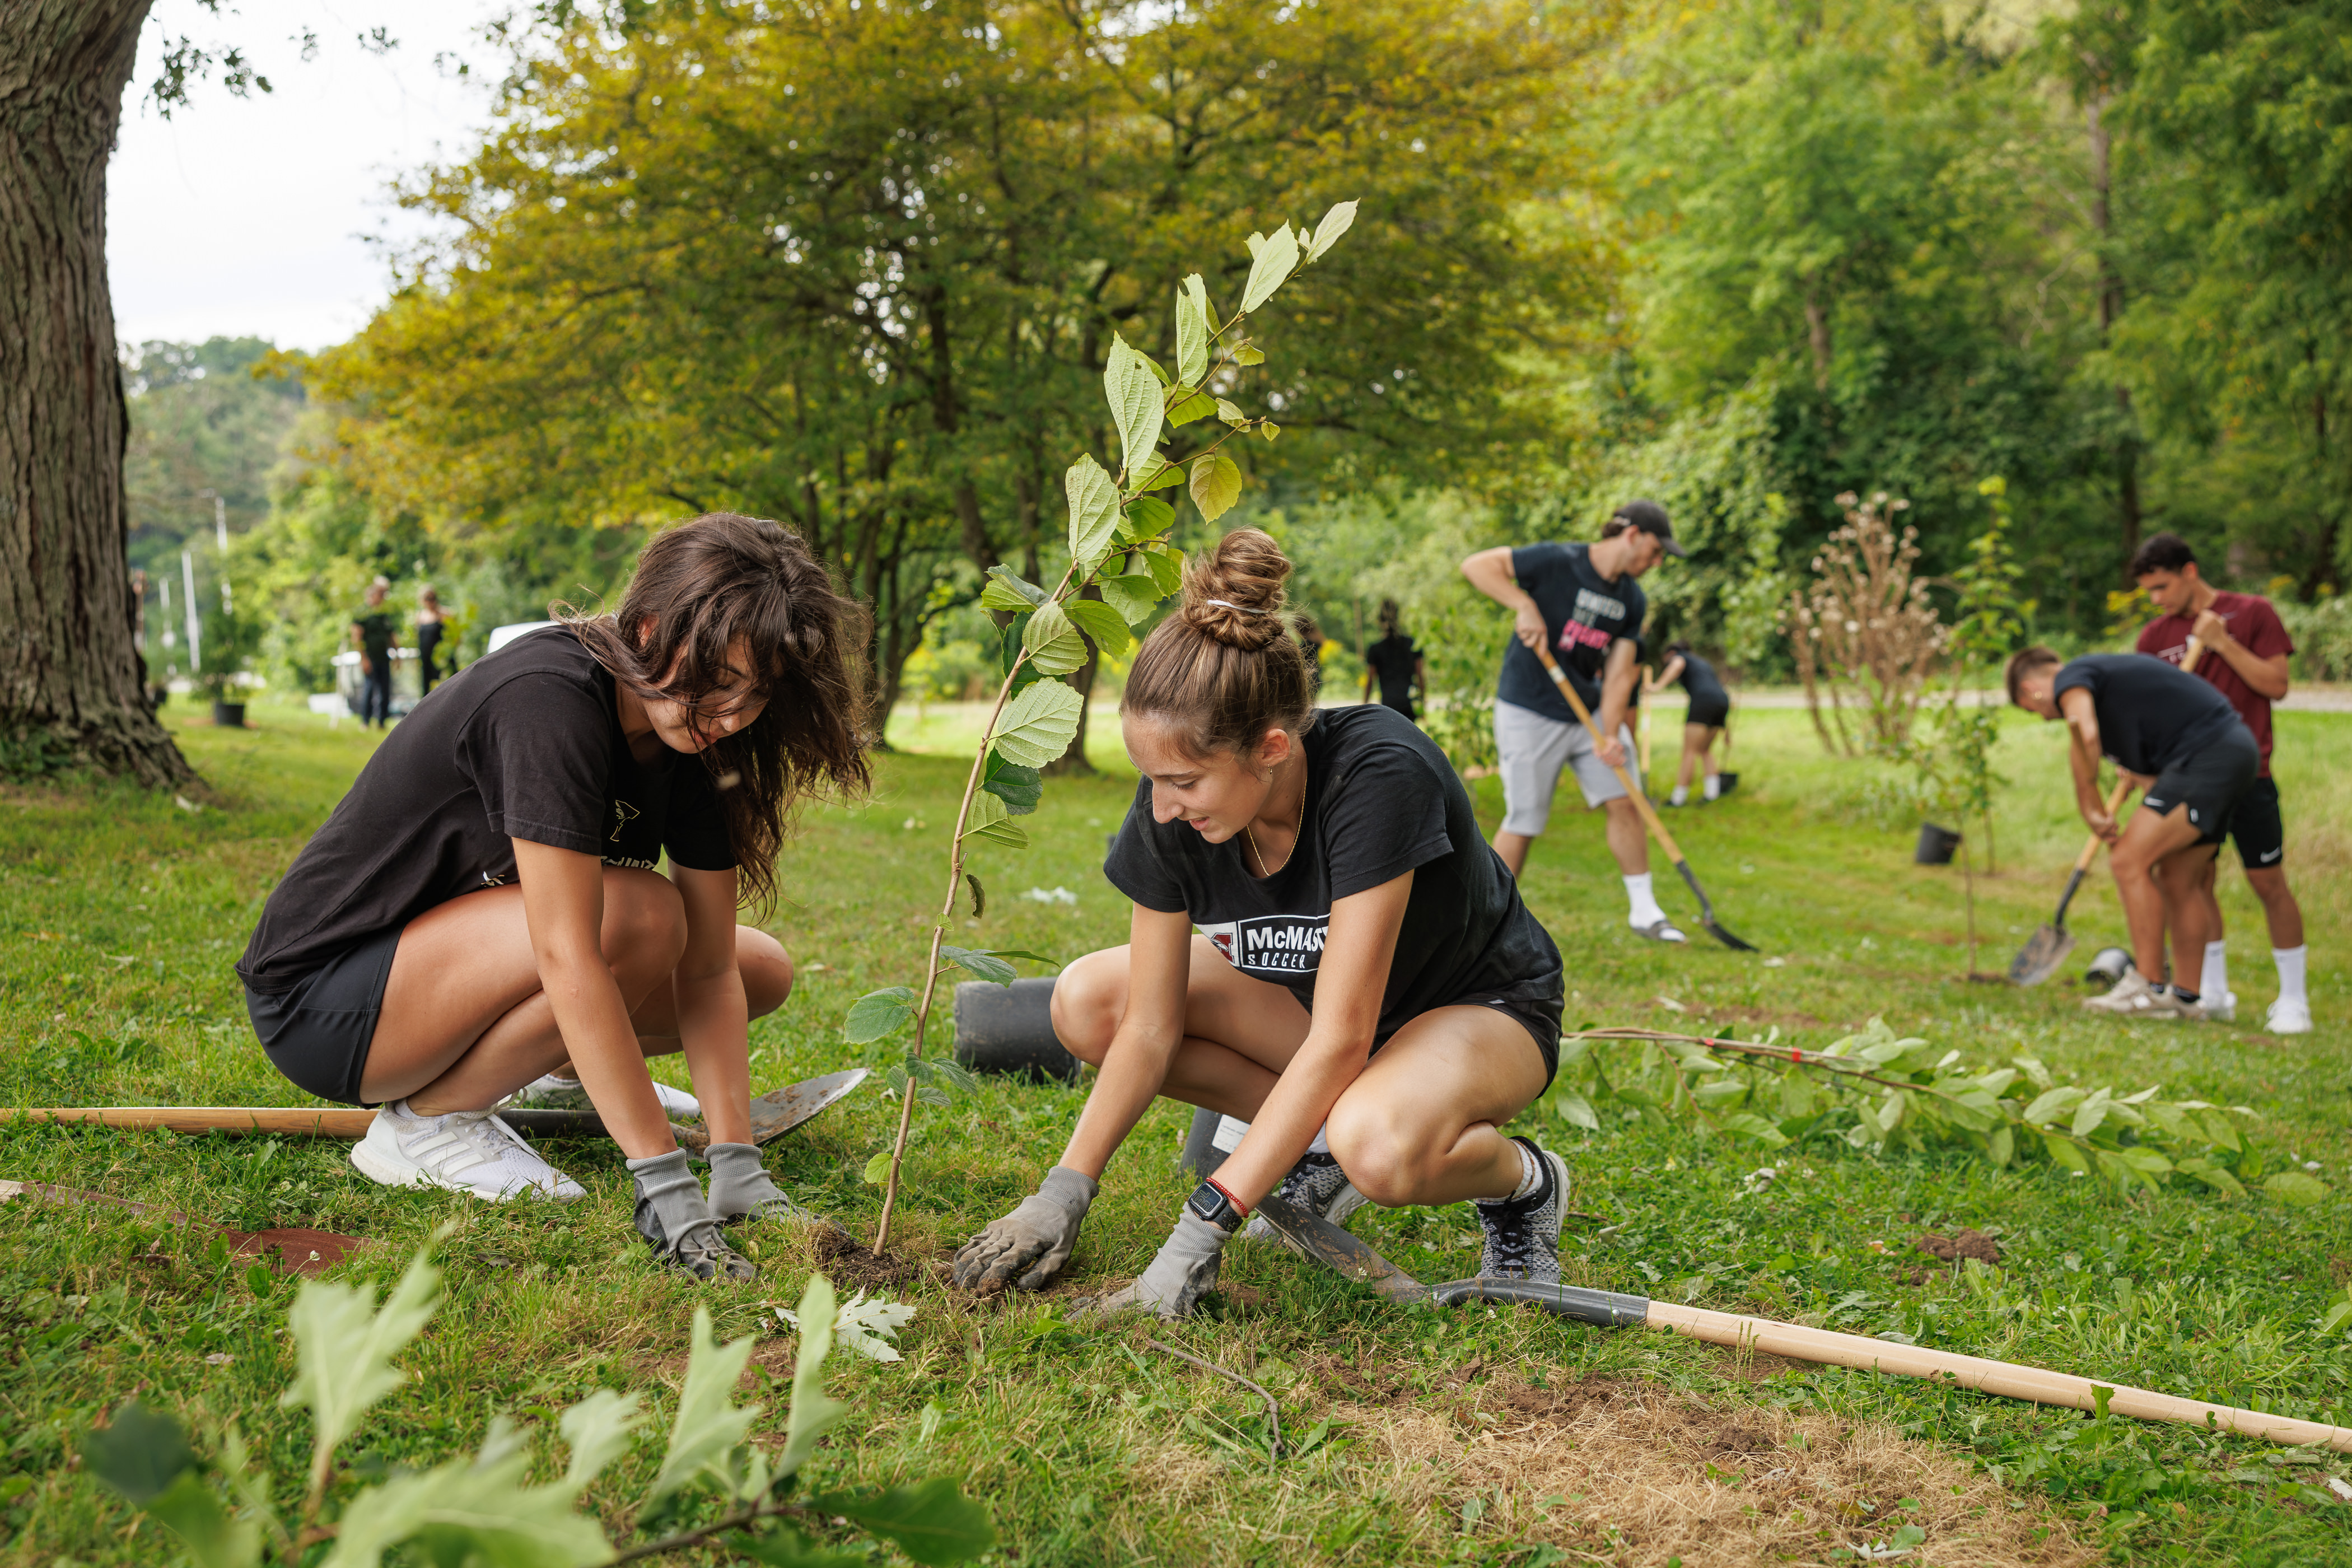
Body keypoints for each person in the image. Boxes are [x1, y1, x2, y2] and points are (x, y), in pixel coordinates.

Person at [951, 530, 1568, 1318]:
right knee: (1086, 1004)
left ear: (1271, 747)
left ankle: (1526, 1184)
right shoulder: (1170, 807)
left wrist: (1196, 1236)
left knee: (1378, 1145)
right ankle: (1317, 1144)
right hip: (1321, 1021)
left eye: (1183, 781)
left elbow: (1343, 1039)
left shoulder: (1380, 775)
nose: (1161, 809)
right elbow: (1148, 1026)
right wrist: (1061, 1192)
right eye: (1152, 780)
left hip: (1473, 1009)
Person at [238, 514, 871, 1280]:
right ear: (646, 628)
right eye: (719, 679)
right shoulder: (550, 700)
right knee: (638, 915)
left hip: (462, 976)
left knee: (754, 965)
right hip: (333, 1002)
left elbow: (707, 972)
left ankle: (560, 1076)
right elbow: (565, 952)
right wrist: (663, 1179)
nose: (734, 714)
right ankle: (427, 1125)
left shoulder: (701, 738)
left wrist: (735, 1162)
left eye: (757, 691)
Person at [1460, 501, 1686, 941]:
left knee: (1624, 799)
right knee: (1525, 817)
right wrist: (1522, 603)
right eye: (1657, 551)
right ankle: (1484, 924)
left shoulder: (1631, 599)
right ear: (1633, 534)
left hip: (1588, 709)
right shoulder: (1558, 560)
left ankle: (1645, 911)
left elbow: (1622, 672)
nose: (1657, 562)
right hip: (1530, 706)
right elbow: (1477, 565)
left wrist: (1612, 732)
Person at [2005, 646, 2258, 1020]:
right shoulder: (2108, 689)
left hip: (2207, 755)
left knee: (2128, 860)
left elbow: (2084, 735)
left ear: (2031, 689)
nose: (2044, 719)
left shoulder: (2072, 676)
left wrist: (2089, 805)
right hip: (2230, 752)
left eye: (2033, 710)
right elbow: (2154, 775)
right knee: (2178, 879)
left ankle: (2147, 987)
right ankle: (2185, 1000)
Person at [2131, 534, 2309, 1034]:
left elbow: (2276, 686)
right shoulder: (2154, 637)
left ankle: (2294, 1001)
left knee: (2267, 882)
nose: (2157, 600)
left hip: (2251, 776)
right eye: (2149, 592)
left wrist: (2222, 644)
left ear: (2190, 572)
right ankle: (2212, 990)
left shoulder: (2252, 613)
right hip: (2189, 782)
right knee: (2193, 882)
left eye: (2163, 587)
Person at [1648, 640, 1730, 806]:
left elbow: (1677, 664)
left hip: (1703, 702)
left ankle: (1678, 798)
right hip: (1722, 702)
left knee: (1690, 751)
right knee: (1705, 750)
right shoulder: (1702, 663)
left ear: (1670, 654)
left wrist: (1657, 686)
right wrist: (1727, 731)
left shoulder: (1679, 658)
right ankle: (1712, 793)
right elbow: (1713, 688)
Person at [1361, 599, 1425, 721]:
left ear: (1380, 620)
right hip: (1410, 703)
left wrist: (1364, 706)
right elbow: (1420, 676)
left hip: (1389, 705)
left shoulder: (1376, 649)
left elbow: (1370, 680)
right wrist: (1422, 707)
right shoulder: (1412, 644)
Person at [351, 577, 396, 728]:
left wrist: (398, 655)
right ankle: (365, 721)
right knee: (369, 689)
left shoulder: (383, 615)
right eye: (381, 594)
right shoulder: (363, 614)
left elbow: (391, 636)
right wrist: (363, 659)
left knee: (385, 690)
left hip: (384, 657)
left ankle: (382, 721)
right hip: (370, 658)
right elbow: (356, 637)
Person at [416, 585, 447, 695]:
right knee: (426, 685)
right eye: (427, 599)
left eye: (432, 598)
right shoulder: (420, 616)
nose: (430, 602)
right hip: (425, 658)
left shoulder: (444, 614)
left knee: (442, 686)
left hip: (439, 658)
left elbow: (453, 637)